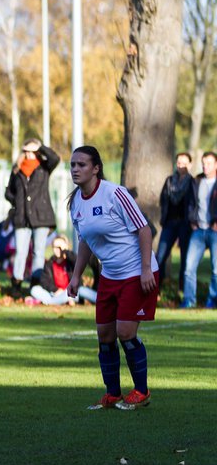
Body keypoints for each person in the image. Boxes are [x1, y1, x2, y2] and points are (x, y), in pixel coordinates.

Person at [67, 146, 159, 409]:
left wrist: (145, 269)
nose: (75, 169)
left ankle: (141, 391)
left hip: (136, 272)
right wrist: (76, 276)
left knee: (125, 332)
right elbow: (85, 240)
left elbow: (144, 230)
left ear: (96, 168)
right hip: (110, 275)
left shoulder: (115, 193)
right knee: (104, 336)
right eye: (73, 164)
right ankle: (113, 394)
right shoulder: (75, 202)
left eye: (82, 165)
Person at [4, 139, 61, 297]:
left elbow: (55, 158)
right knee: (21, 252)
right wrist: (17, 201)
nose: (29, 154)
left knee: (38, 252)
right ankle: (16, 285)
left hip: (41, 217)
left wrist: (40, 147)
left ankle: (35, 286)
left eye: (32, 151)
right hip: (22, 218)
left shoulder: (44, 166)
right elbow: (8, 191)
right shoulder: (17, 169)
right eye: (26, 151)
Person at [181, 150, 217, 309]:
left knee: (216, 269)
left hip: (215, 231)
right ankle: (189, 300)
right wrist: (192, 222)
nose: (205, 166)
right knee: (189, 268)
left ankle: (213, 300)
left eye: (209, 163)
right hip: (198, 231)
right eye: (203, 163)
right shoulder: (196, 181)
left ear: (216, 164)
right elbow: (190, 204)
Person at [156, 152, 195, 287]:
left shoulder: (192, 182)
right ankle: (156, 288)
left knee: (185, 257)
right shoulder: (169, 181)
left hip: (185, 224)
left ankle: (182, 288)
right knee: (160, 256)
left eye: (184, 163)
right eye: (179, 163)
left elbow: (194, 203)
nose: (181, 166)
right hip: (169, 223)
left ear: (190, 165)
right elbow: (163, 199)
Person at [27, 235, 95, 305]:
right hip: (56, 293)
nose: (57, 250)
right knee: (35, 289)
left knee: (82, 290)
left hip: (72, 292)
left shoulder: (71, 260)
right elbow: (45, 281)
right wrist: (56, 290)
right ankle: (58, 301)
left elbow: (77, 261)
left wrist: (65, 251)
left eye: (60, 247)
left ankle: (53, 302)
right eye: (55, 247)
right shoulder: (49, 263)